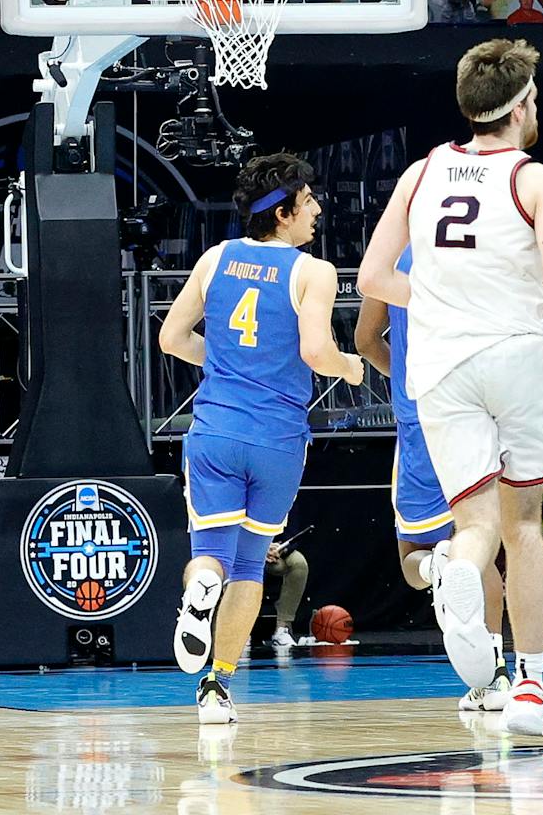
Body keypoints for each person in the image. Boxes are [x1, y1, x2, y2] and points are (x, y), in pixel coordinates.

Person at [358, 39, 543, 738]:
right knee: (524, 527)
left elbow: (371, 279)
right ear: (519, 108)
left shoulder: (422, 171)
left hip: (439, 364)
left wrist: (435, 304)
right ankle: (529, 685)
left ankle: (457, 568)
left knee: (476, 526)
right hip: (513, 355)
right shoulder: (540, 180)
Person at [157, 154, 364, 725]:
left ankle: (200, 596)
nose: (318, 209)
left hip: (217, 430)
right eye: (309, 200)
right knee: (250, 566)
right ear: (282, 212)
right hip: (278, 440)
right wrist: (351, 367)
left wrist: (224, 366)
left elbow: (171, 338)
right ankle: (217, 687)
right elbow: (317, 353)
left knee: (211, 558)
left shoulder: (215, 258)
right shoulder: (312, 271)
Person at [355, 246, 512, 710]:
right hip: (474, 413)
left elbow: (366, 341)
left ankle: (435, 570)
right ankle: (497, 675)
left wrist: (402, 375)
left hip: (419, 419)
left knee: (414, 557)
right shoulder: (483, 243)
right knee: (481, 546)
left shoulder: (395, 255)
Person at [262, 535, 310, 650]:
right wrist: (260, 548)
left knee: (298, 563)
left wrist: (281, 548)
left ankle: (282, 627)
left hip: (274, 552)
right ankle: (239, 630)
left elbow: (293, 533)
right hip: (243, 549)